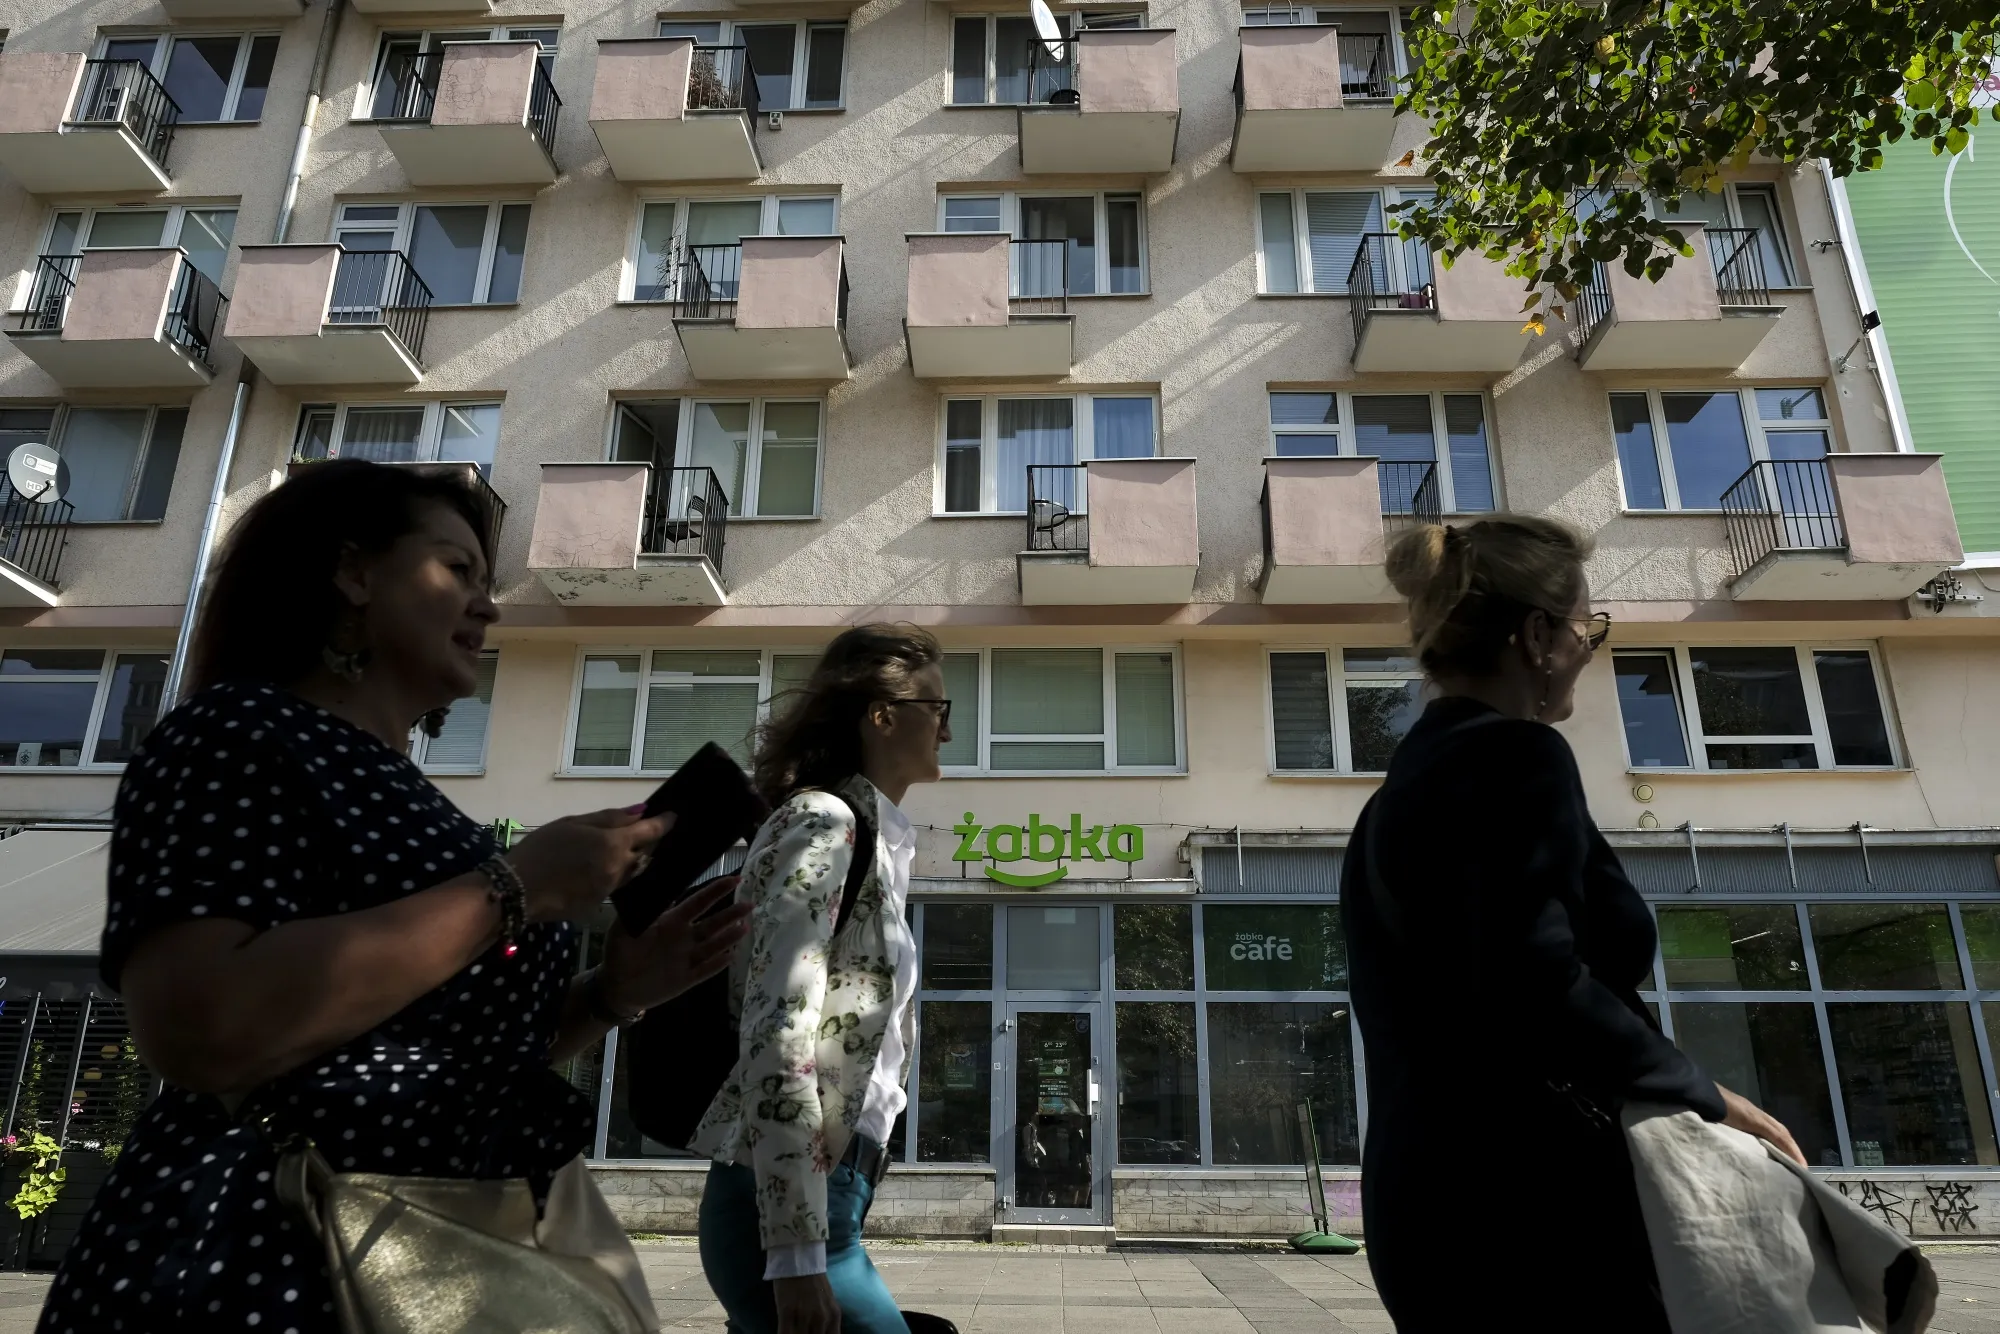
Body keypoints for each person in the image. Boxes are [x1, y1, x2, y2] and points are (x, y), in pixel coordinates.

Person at [37, 460, 751, 1333]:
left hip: (432, 1247)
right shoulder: (237, 733)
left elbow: (444, 1051)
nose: (488, 606)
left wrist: (614, 994)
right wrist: (517, 883)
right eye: (458, 570)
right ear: (353, 572)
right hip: (271, 1260)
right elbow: (203, 1031)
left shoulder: (409, 795)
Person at [1341, 517, 1804, 1333]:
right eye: (1589, 627)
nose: (1591, 649)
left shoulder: (1391, 801)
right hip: (1535, 1210)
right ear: (1536, 636)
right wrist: (1707, 1096)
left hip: (1427, 1204)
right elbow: (1538, 980)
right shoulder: (1516, 758)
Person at [691, 625, 950, 1334]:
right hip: (787, 1214)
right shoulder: (823, 822)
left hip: (835, 1201)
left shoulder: (878, 843)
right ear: (882, 714)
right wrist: (796, 1251)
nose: (948, 733)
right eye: (940, 709)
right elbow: (779, 1027)